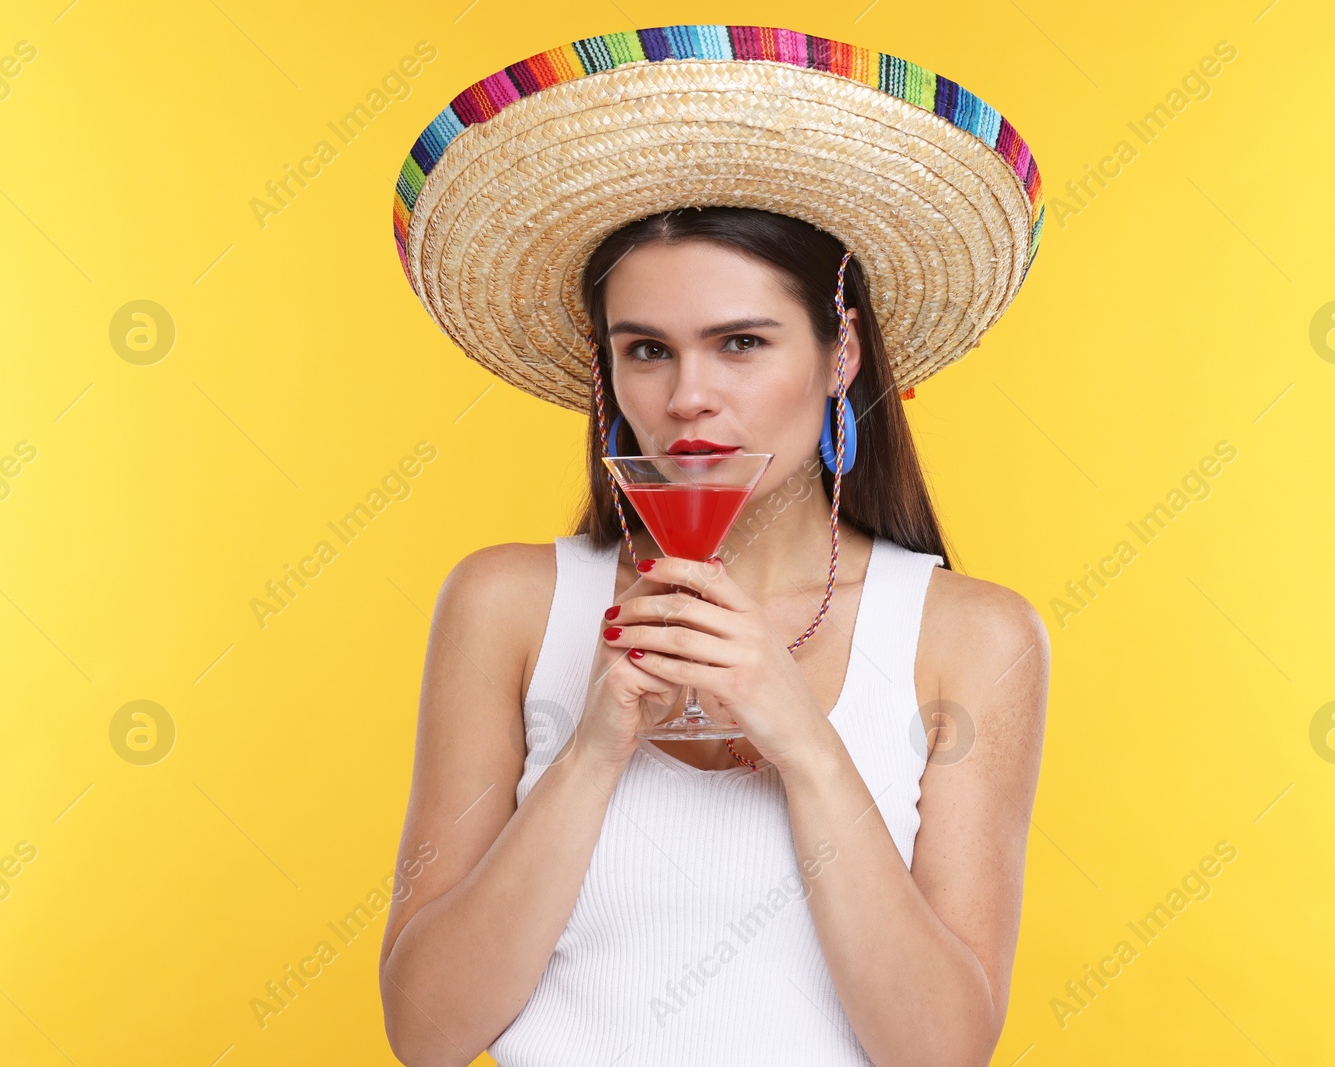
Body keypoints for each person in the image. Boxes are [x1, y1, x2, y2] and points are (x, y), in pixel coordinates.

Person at [378, 24, 1049, 1067]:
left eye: (741, 342)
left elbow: (941, 1050)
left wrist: (801, 737)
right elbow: (426, 1031)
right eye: (646, 349)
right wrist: (594, 742)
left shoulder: (971, 636)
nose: (688, 397)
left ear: (842, 354)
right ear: (608, 374)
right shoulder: (506, 604)